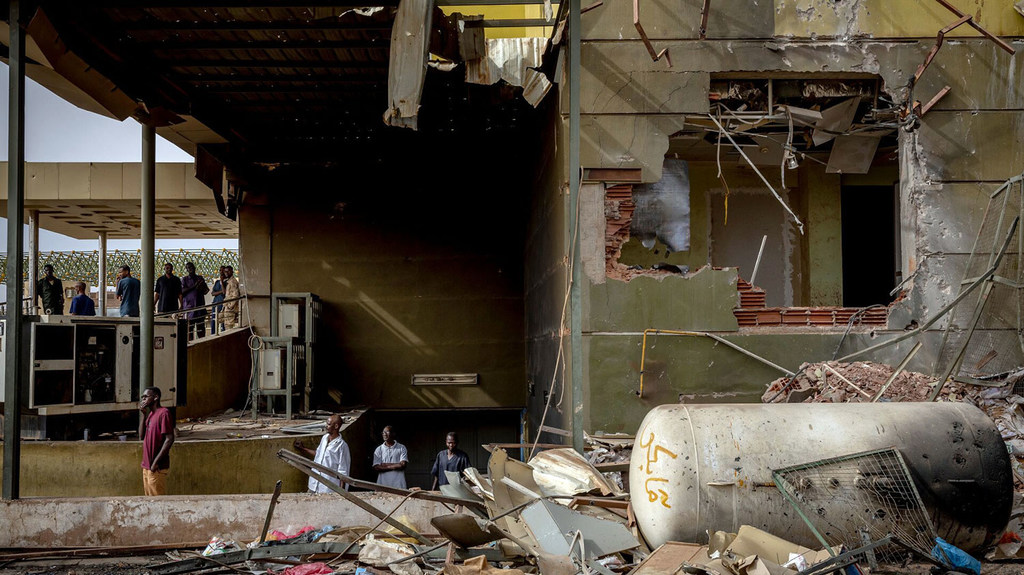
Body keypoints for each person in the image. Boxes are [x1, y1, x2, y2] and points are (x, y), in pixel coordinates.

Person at [292, 414, 351, 493]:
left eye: (329, 424)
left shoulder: (342, 446)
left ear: (336, 426)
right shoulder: (324, 438)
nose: (326, 426)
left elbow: (343, 471)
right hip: (314, 484)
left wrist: (341, 493)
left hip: (328, 488)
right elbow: (318, 454)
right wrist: (303, 449)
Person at [139, 386, 175, 496]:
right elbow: (141, 436)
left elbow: (169, 439)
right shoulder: (150, 415)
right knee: (149, 501)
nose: (143, 399)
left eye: (146, 397)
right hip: (147, 466)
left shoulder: (164, 413)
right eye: (142, 397)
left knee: (158, 502)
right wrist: (143, 415)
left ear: (155, 397)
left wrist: (155, 463)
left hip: (156, 467)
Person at [181, 262, 208, 339]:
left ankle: (202, 344)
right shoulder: (184, 279)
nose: (191, 269)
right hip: (189, 308)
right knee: (189, 329)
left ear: (194, 268)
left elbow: (206, 291)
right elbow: (182, 291)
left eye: (192, 267)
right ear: (187, 269)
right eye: (189, 268)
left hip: (199, 307)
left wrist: (201, 286)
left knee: (201, 329)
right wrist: (194, 286)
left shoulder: (200, 278)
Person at [220, 266, 241, 330]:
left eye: (228, 271)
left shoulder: (233, 282)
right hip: (227, 305)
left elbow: (235, 295)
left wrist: (230, 306)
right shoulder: (228, 281)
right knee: (226, 323)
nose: (226, 273)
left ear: (232, 272)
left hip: (230, 307)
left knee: (229, 325)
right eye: (225, 271)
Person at [209, 266, 226, 333]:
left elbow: (224, 292)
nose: (221, 272)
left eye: (223, 271)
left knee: (223, 321)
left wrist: (222, 282)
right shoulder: (217, 282)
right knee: (213, 321)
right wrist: (221, 291)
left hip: (223, 304)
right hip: (216, 303)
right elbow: (212, 293)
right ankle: (213, 334)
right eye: (220, 270)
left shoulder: (227, 282)